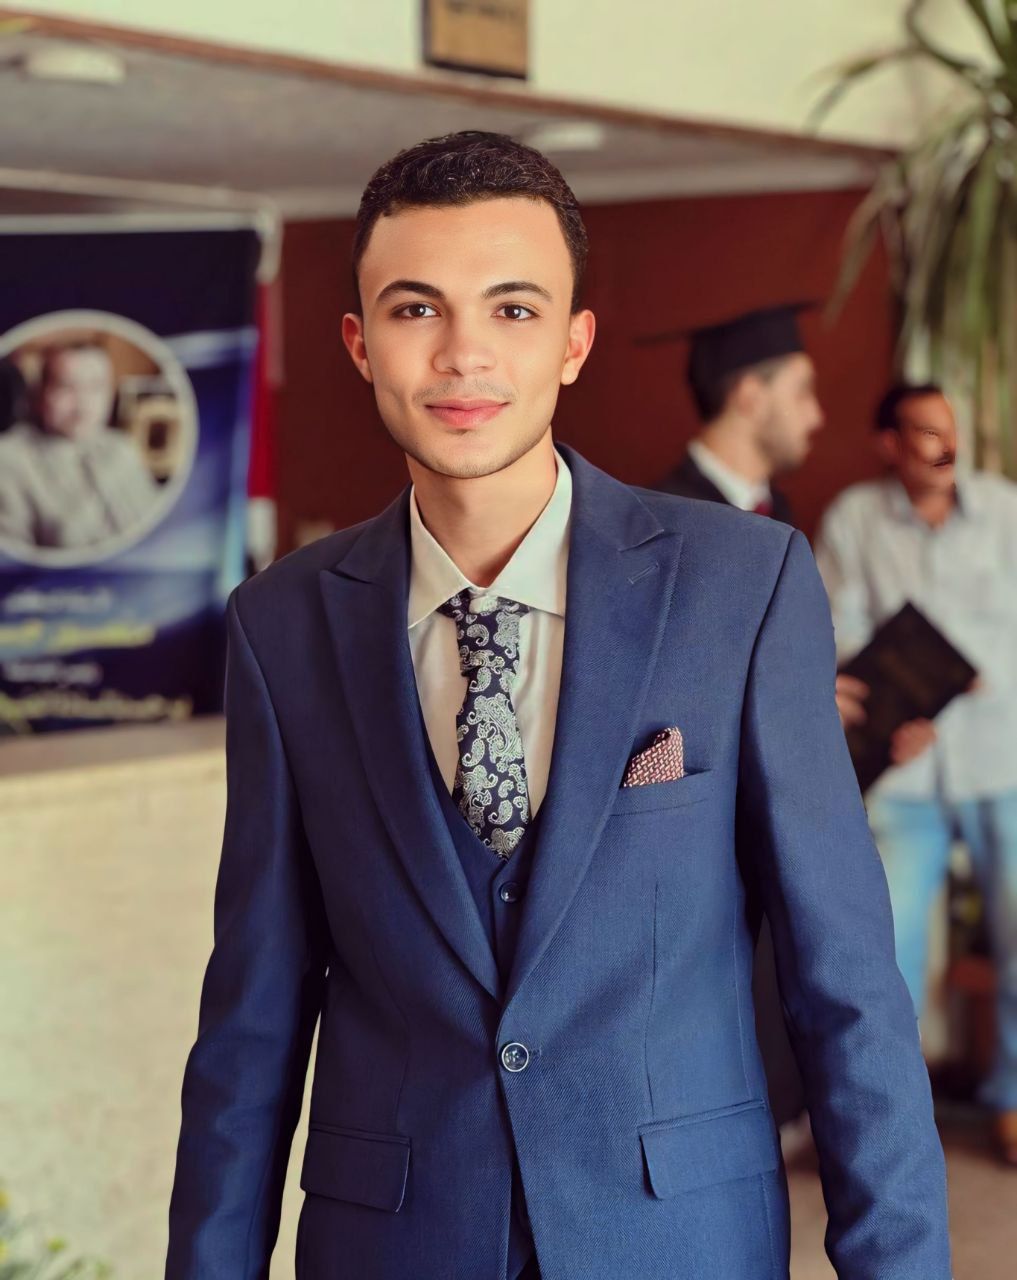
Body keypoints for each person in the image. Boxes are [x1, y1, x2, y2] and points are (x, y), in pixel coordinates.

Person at [166, 132, 951, 1280]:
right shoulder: (280, 624)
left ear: (574, 342)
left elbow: (847, 986)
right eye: (417, 308)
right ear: (360, 342)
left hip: (678, 1238)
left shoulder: (742, 584)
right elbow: (253, 1018)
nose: (464, 354)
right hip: (394, 1245)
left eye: (514, 308)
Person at [815, 381, 1017, 1168]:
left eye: (948, 429)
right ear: (889, 443)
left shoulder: (1003, 510)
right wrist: (899, 695)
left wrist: (971, 677)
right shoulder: (853, 520)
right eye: (924, 431)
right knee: (884, 945)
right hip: (900, 774)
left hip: (999, 760)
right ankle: (885, 1115)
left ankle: (1010, 1100)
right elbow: (831, 632)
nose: (944, 444)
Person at [654, 303, 824, 520]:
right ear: (750, 397)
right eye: (802, 392)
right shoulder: (667, 517)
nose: (816, 417)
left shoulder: (778, 510)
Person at [0, 340, 158, 550]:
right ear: (40, 394)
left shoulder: (121, 448)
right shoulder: (8, 458)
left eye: (96, 387)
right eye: (66, 386)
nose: (83, 403)